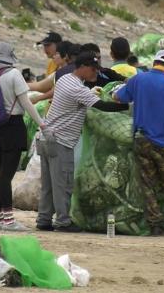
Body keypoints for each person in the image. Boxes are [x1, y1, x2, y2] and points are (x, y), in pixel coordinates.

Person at [36, 52, 129, 233]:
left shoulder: (64, 80)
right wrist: (129, 106)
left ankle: (44, 219)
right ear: (84, 67)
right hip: (60, 141)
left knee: (49, 185)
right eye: (93, 70)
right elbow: (102, 106)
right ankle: (63, 221)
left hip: (45, 138)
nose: (95, 74)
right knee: (63, 183)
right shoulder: (76, 89)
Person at [113, 50, 164, 236]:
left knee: (148, 184)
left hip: (141, 140)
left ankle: (155, 225)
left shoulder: (138, 79)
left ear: (155, 63)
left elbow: (118, 98)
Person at [0, 42, 45, 231]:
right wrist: (41, 123)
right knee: (6, 176)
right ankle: (9, 221)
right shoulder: (14, 75)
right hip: (12, 127)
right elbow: (26, 103)